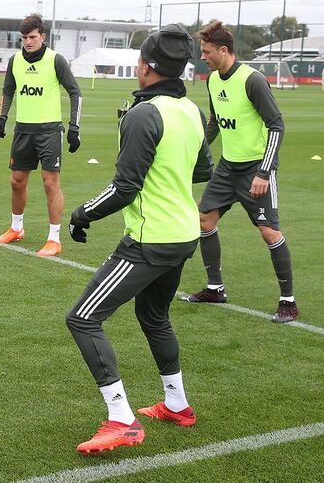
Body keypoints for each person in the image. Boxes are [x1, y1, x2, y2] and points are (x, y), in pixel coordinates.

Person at [64, 25, 213, 454]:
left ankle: (122, 419)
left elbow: (124, 188)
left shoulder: (143, 114)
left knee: (83, 319)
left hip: (151, 240)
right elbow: (202, 171)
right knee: (154, 316)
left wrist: (82, 214)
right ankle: (178, 405)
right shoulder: (188, 110)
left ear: (144, 66)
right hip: (185, 233)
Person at [185, 21, 298, 323]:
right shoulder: (212, 80)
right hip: (227, 168)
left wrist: (264, 172)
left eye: (207, 52)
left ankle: (288, 301)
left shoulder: (253, 80)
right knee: (204, 220)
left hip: (255, 169)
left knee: (269, 231)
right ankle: (214, 288)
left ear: (224, 50)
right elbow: (214, 123)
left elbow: (276, 125)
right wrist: (193, 149)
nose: (203, 57)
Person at [0, 13, 83, 257]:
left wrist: (74, 126)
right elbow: (8, 90)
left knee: (50, 183)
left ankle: (54, 239)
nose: (28, 42)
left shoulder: (56, 60)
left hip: (49, 131)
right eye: (24, 38)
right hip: (23, 130)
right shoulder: (15, 61)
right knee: (16, 181)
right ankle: (16, 228)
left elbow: (75, 92)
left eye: (32, 37)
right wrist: (2, 118)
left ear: (42, 36)